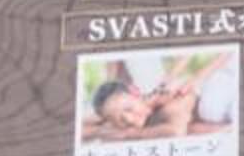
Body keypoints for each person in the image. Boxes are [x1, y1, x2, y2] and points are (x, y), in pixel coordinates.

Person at [82, 52, 236, 140]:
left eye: (128, 109)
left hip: (226, 83)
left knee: (209, 110)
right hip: (219, 97)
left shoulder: (165, 99)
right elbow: (85, 125)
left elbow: (176, 131)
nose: (130, 120)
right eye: (122, 121)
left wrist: (132, 133)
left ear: (135, 92)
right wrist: (99, 129)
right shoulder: (141, 108)